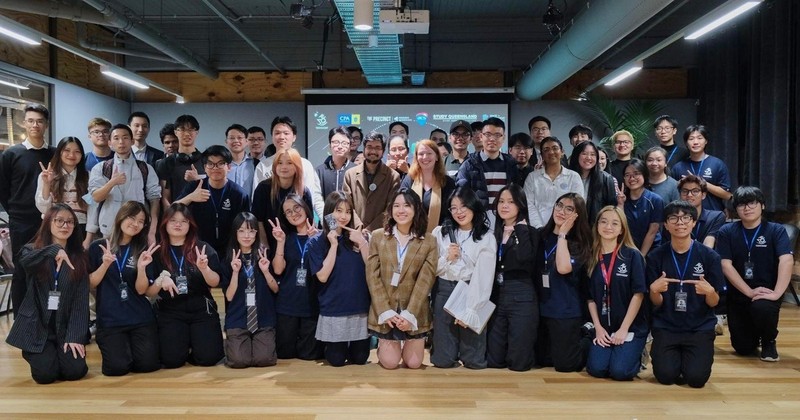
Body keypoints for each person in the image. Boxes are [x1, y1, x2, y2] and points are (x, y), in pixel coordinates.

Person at [5, 204, 88, 384]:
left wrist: (75, 337)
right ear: (48, 223)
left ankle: (59, 353)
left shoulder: (79, 257)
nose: (65, 225)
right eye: (59, 221)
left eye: (70, 222)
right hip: (37, 326)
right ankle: (39, 353)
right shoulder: (31, 250)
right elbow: (25, 262)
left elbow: (80, 302)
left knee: (75, 371)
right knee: (45, 375)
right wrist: (54, 250)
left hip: (64, 327)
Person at [647, 201, 723, 388]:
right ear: (666, 224)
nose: (680, 222)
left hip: (699, 327)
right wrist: (654, 290)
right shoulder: (655, 257)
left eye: (685, 218)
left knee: (696, 380)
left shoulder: (709, 256)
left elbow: (715, 302)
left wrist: (710, 291)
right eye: (673, 218)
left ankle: (687, 359)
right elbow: (655, 302)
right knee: (665, 377)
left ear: (694, 223)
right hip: (666, 326)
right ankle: (674, 359)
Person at [716, 186, 793, 362]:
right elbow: (725, 265)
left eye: (752, 203)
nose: (747, 208)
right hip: (739, 293)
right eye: (742, 204)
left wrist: (776, 294)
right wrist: (749, 292)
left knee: (762, 307)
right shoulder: (726, 232)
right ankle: (754, 333)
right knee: (743, 348)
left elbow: (786, 261)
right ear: (736, 209)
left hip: (767, 292)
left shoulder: (775, 230)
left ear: (762, 206)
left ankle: (768, 341)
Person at [366, 188, 437, 369]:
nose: (401, 210)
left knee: (413, 364)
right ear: (390, 210)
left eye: (407, 205)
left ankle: (410, 340)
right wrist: (386, 310)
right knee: (389, 363)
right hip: (387, 308)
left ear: (416, 210)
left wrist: (410, 314)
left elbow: (425, 280)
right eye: (396, 206)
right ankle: (388, 345)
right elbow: (373, 277)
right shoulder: (378, 236)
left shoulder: (428, 240)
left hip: (414, 310)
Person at [146, 203, 224, 368]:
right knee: (171, 360)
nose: (178, 224)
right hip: (171, 310)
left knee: (208, 358)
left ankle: (193, 342)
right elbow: (149, 292)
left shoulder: (202, 248)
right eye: (173, 220)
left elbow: (215, 282)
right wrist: (160, 280)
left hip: (201, 308)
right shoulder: (157, 252)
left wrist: (204, 269)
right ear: (164, 223)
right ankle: (183, 342)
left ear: (191, 225)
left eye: (184, 221)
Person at [87, 201, 161, 376]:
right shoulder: (98, 248)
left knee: (147, 365)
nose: (135, 224)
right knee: (116, 369)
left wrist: (142, 268)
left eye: (141, 221)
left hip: (140, 317)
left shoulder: (143, 250)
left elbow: (142, 290)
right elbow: (91, 283)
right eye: (131, 217)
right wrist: (105, 265)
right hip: (111, 320)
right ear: (121, 217)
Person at [430, 187, 496, 369]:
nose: (459, 212)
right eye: (454, 208)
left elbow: (484, 276)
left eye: (463, 206)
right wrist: (447, 259)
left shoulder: (485, 237)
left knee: (474, 361)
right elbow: (430, 269)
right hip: (444, 289)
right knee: (442, 360)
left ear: (473, 206)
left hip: (471, 290)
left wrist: (471, 309)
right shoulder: (439, 232)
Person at [0, 104, 55, 315]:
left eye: (40, 121)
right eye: (30, 120)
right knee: (22, 270)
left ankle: (47, 314)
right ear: (24, 123)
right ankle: (22, 319)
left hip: (50, 220)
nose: (35, 125)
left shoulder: (54, 153)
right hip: (21, 221)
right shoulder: (12, 154)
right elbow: (3, 189)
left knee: (49, 268)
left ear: (46, 125)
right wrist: (15, 211)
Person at [308, 191, 371, 366]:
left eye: (348, 211)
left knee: (360, 359)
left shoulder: (359, 237)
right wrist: (334, 245)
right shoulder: (317, 241)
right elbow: (322, 276)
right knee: (336, 360)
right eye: (338, 210)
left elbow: (372, 269)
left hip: (359, 306)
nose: (344, 216)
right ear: (329, 212)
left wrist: (363, 243)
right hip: (334, 307)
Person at [585, 206, 648, 381]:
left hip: (630, 328)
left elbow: (639, 295)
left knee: (620, 372)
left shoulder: (632, 256)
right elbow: (590, 298)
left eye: (614, 223)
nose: (608, 227)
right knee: (596, 369)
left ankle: (639, 352)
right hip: (604, 327)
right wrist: (598, 328)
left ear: (622, 229)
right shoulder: (591, 257)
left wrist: (624, 329)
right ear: (597, 225)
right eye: (603, 221)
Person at [487, 184, 541, 371]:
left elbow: (524, 258)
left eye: (510, 202)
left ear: (520, 205)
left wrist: (520, 229)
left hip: (521, 293)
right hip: (496, 294)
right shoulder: (493, 232)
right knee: (494, 360)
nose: (504, 206)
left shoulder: (530, 232)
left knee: (519, 363)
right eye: (501, 201)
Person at [537, 193, 592, 372]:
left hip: (565, 311)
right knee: (542, 360)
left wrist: (562, 235)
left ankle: (588, 336)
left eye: (569, 209)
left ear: (578, 215)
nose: (561, 211)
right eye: (559, 205)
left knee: (565, 365)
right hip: (542, 309)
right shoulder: (541, 235)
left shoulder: (579, 244)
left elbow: (563, 268)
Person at [221, 212, 279, 368]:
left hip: (263, 318)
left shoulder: (264, 255)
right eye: (241, 230)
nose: (247, 235)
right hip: (238, 318)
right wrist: (234, 272)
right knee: (239, 361)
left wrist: (266, 271)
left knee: (264, 360)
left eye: (251, 230)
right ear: (235, 233)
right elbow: (229, 296)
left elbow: (275, 288)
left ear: (256, 233)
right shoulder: (228, 259)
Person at [270, 194, 324, 360]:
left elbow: (324, 271)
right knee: (285, 354)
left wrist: (315, 241)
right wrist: (280, 242)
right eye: (288, 212)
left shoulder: (321, 236)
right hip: (287, 304)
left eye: (296, 208)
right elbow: (278, 270)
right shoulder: (284, 238)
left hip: (312, 304)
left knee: (309, 355)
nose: (293, 213)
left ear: (305, 208)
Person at [88, 124, 161, 243]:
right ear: (110, 142)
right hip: (109, 228)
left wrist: (152, 230)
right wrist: (112, 183)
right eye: (116, 138)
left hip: (137, 229)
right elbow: (95, 197)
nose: (121, 142)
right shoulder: (101, 168)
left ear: (132, 141)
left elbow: (155, 199)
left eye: (125, 137)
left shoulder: (145, 168)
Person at [175, 145, 251, 254]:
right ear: (205, 167)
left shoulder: (239, 194)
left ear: (229, 167)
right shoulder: (195, 187)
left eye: (220, 163)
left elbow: (247, 224)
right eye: (210, 164)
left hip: (230, 249)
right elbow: (173, 208)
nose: (215, 168)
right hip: (198, 246)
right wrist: (191, 197)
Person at [253, 116, 324, 219]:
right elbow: (257, 201)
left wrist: (330, 226)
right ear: (272, 137)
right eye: (277, 133)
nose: (281, 137)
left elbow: (316, 198)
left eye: (286, 133)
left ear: (294, 137)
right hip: (271, 225)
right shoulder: (263, 166)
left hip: (299, 223)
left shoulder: (305, 164)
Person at [252, 148, 313, 255]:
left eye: (289, 163)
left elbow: (308, 221)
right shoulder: (263, 188)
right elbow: (258, 220)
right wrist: (264, 244)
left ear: (297, 166)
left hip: (296, 246)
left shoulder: (304, 191)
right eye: (280, 163)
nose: (284, 167)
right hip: (270, 243)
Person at [456, 117, 518, 214]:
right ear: (481, 136)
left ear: (504, 138)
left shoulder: (511, 164)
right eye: (488, 134)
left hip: (505, 222)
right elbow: (461, 196)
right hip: (479, 222)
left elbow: (517, 196)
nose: (492, 139)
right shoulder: (469, 165)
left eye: (497, 135)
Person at [343, 131, 401, 231]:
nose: (373, 151)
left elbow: (390, 208)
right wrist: (359, 228)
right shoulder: (350, 174)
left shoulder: (393, 176)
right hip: (354, 233)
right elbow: (348, 206)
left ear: (383, 151)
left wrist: (369, 230)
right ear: (364, 149)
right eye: (369, 147)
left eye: (377, 148)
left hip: (381, 234)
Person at [524, 136, 584, 229]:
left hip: (567, 229)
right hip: (538, 229)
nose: (551, 152)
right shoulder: (532, 177)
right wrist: (539, 227)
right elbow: (529, 205)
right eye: (546, 149)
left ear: (562, 151)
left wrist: (563, 228)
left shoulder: (573, 177)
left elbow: (578, 205)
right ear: (542, 155)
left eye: (555, 148)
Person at [35, 137, 89, 239]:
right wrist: (47, 184)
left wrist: (89, 237)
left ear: (82, 155)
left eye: (77, 151)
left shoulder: (88, 177)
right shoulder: (47, 175)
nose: (71, 155)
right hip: (54, 227)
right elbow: (43, 209)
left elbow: (91, 208)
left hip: (80, 227)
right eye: (67, 150)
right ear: (59, 152)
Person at [670, 125, 732, 212]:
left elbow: (728, 196)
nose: (695, 142)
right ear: (686, 143)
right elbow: (672, 194)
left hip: (713, 216)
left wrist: (701, 182)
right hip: (686, 217)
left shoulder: (717, 164)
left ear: (706, 141)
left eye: (700, 138)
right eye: (691, 139)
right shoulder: (678, 167)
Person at [400, 139, 456, 233]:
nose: (425, 157)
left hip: (441, 237)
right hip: (412, 236)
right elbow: (401, 206)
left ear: (437, 157)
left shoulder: (448, 182)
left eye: (429, 153)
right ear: (416, 158)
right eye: (421, 154)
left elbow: (452, 211)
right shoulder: (409, 180)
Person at [618, 159, 663, 256]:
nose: (631, 178)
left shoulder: (655, 200)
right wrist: (620, 204)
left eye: (636, 173)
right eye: (627, 175)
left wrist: (641, 256)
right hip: (626, 250)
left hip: (651, 251)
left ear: (644, 175)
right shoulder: (620, 200)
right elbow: (620, 226)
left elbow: (652, 231)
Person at [667, 175, 725, 248]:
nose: (689, 195)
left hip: (705, 256)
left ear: (703, 195)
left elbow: (709, 244)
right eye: (685, 191)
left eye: (695, 191)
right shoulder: (673, 219)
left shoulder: (716, 217)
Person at [568, 141, 616, 223]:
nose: (588, 157)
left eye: (593, 154)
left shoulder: (606, 179)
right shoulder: (567, 176)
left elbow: (611, 207)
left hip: (594, 227)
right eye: (584, 153)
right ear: (576, 155)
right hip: (570, 225)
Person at [316, 126, 355, 199]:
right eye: (336, 142)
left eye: (344, 143)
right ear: (329, 145)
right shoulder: (319, 171)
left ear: (349, 147)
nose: (340, 146)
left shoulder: (355, 170)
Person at [225, 124, 255, 195]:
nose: (236, 141)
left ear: (247, 141)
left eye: (239, 138)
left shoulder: (255, 164)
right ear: (226, 142)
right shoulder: (222, 165)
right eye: (232, 138)